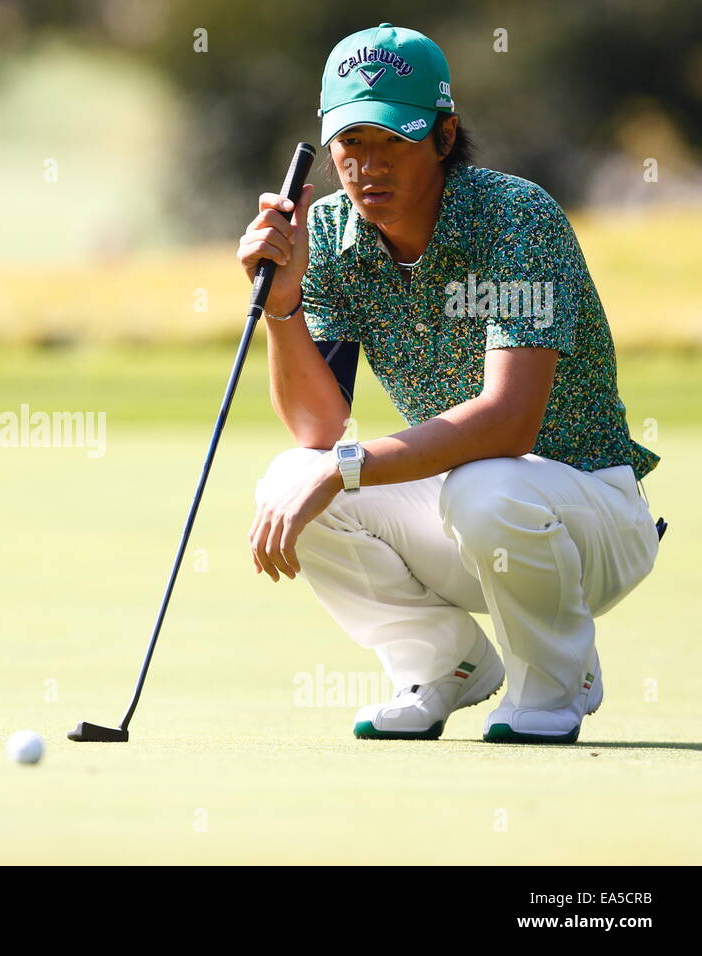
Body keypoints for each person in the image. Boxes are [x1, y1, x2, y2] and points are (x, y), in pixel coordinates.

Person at [237, 22, 663, 744]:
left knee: (483, 483)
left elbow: (508, 424)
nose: (368, 166)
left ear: (443, 136)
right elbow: (318, 429)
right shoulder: (336, 236)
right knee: (290, 476)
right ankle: (447, 666)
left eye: (392, 141)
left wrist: (345, 469)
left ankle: (558, 680)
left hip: (591, 514)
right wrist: (284, 306)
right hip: (472, 513)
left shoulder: (516, 219)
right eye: (351, 143)